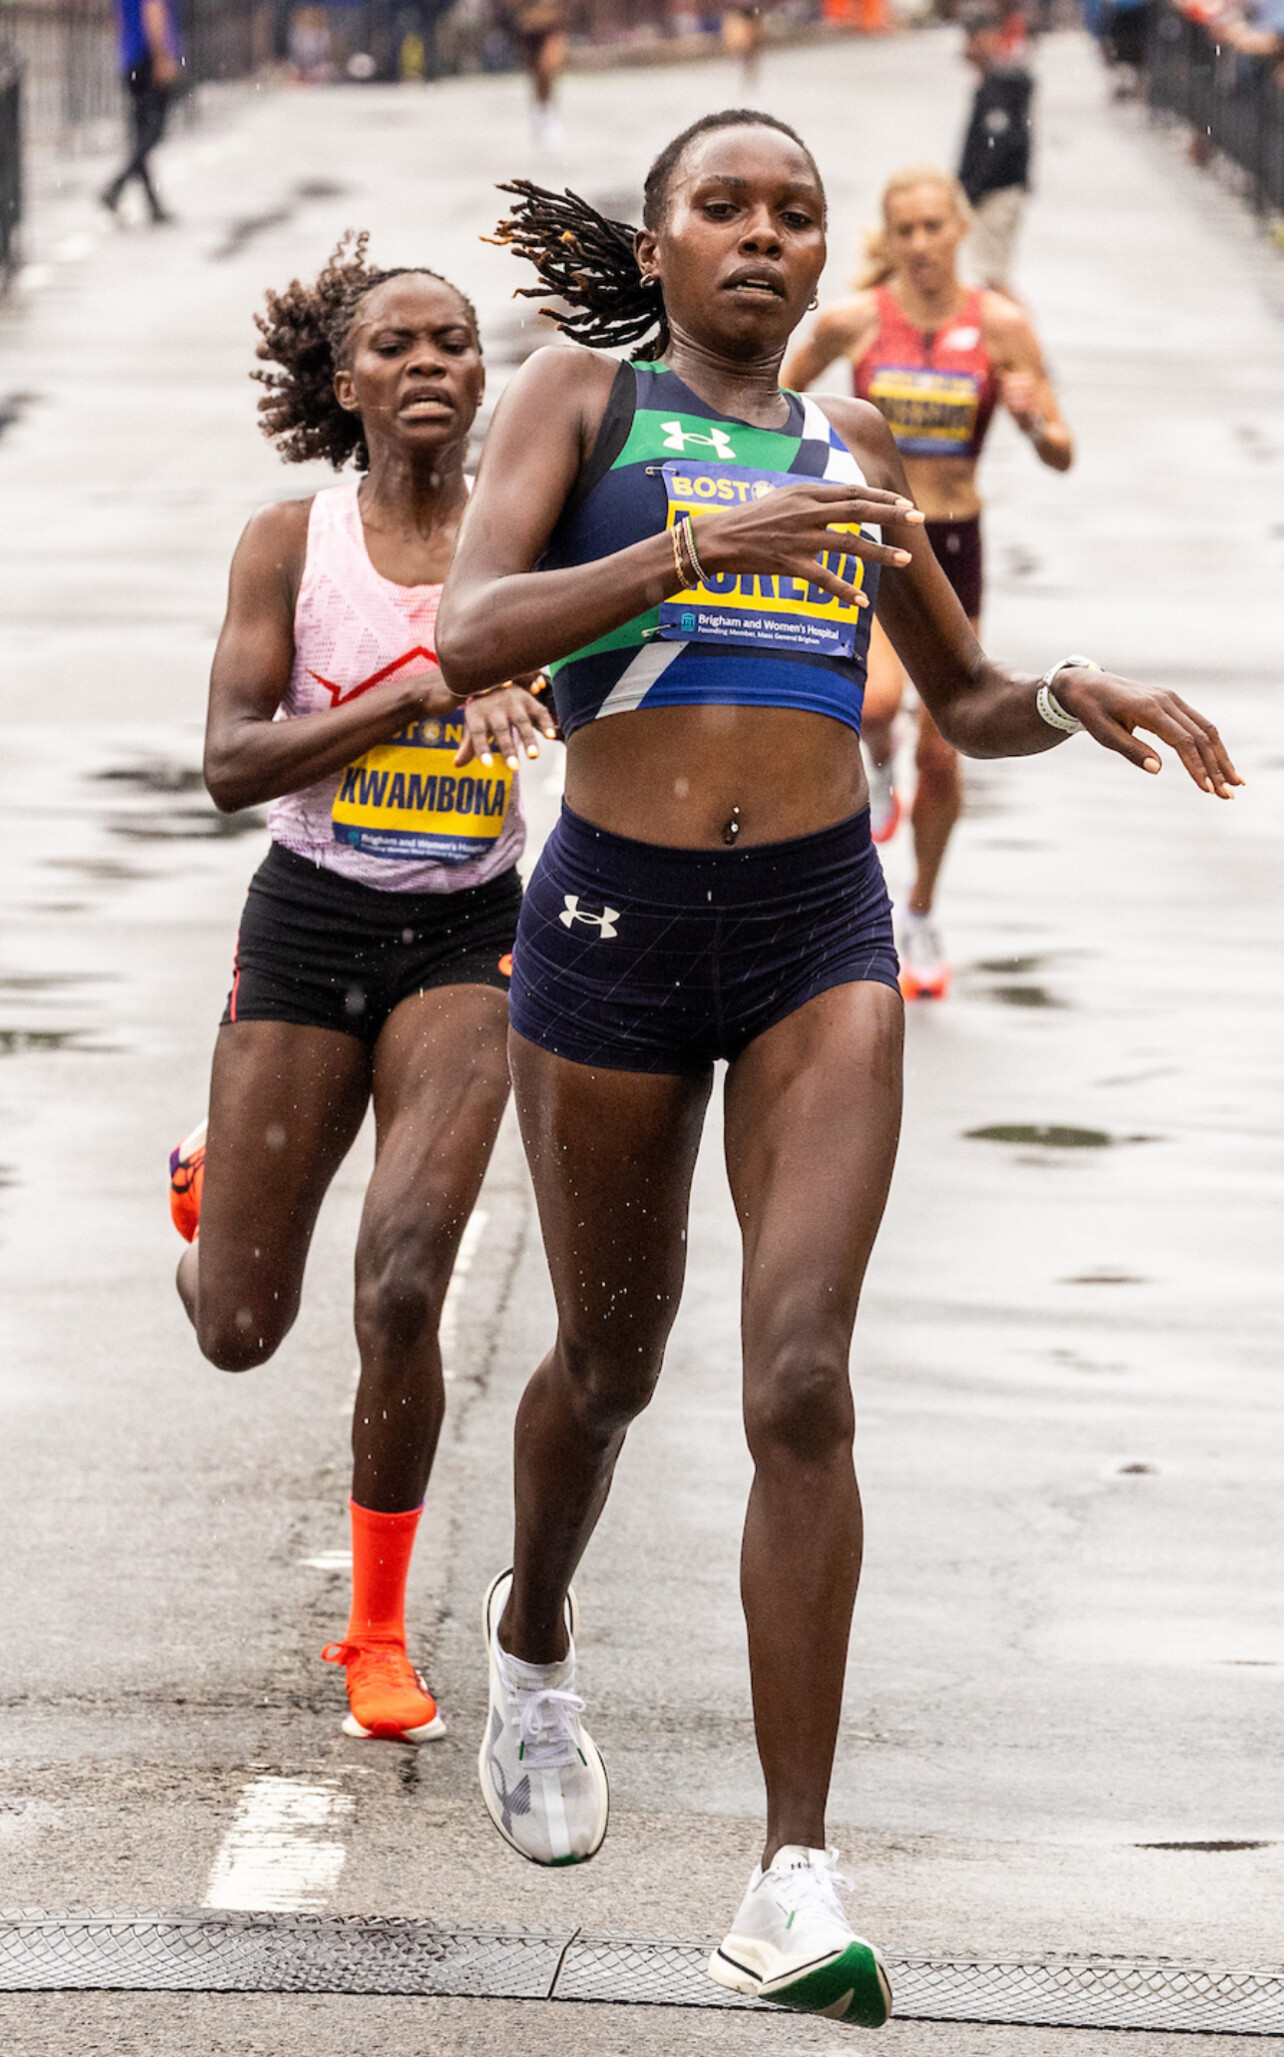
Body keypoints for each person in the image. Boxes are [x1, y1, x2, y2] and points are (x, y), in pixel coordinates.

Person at [435, 112, 1238, 2025]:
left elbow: (957, 697)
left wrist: (1062, 693)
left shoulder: (850, 445)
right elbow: (469, 629)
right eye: (720, 208)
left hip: (816, 930)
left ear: (820, 256)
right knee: (609, 1362)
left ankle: (789, 1877)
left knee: (799, 1377)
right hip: (614, 924)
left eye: (792, 215)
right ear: (654, 243)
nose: (761, 237)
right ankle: (531, 1640)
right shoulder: (580, 403)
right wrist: (692, 549)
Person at [168, 233, 556, 1747]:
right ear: (346, 384)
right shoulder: (291, 543)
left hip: (467, 935)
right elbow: (228, 763)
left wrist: (541, 676)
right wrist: (417, 686)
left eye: (453, 341)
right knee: (237, 1326)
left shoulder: (525, 547)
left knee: (403, 1278)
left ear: (483, 376)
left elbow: (607, 678)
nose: (429, 364)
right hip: (310, 923)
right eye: (395, 345)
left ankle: (380, 1636)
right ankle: (216, 1175)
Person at [782, 164, 1073, 998]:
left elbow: (1062, 451)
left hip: (955, 541)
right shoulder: (855, 320)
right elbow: (773, 397)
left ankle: (920, 909)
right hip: (877, 535)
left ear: (959, 231)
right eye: (904, 230)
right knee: (875, 706)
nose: (919, 245)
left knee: (945, 750)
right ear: (891, 237)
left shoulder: (1002, 326)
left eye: (933, 228)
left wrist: (1033, 420)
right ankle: (878, 767)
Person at [957, 0, 1033, 294]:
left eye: (972, 39)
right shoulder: (999, 78)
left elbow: (997, 144)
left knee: (991, 277)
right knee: (991, 275)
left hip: (997, 193)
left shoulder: (1001, 82)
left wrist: (973, 188)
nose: (967, 49)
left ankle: (1018, 325)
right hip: (1000, 190)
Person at [102, 0, 181, 225]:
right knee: (153, 133)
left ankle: (152, 204)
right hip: (149, 59)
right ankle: (116, 185)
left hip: (131, 60)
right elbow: (154, 10)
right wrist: (162, 57)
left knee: (140, 136)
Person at [504, 0, 569, 143]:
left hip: (553, 25)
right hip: (531, 26)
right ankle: (541, 111)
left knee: (549, 67)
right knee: (537, 74)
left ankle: (547, 112)